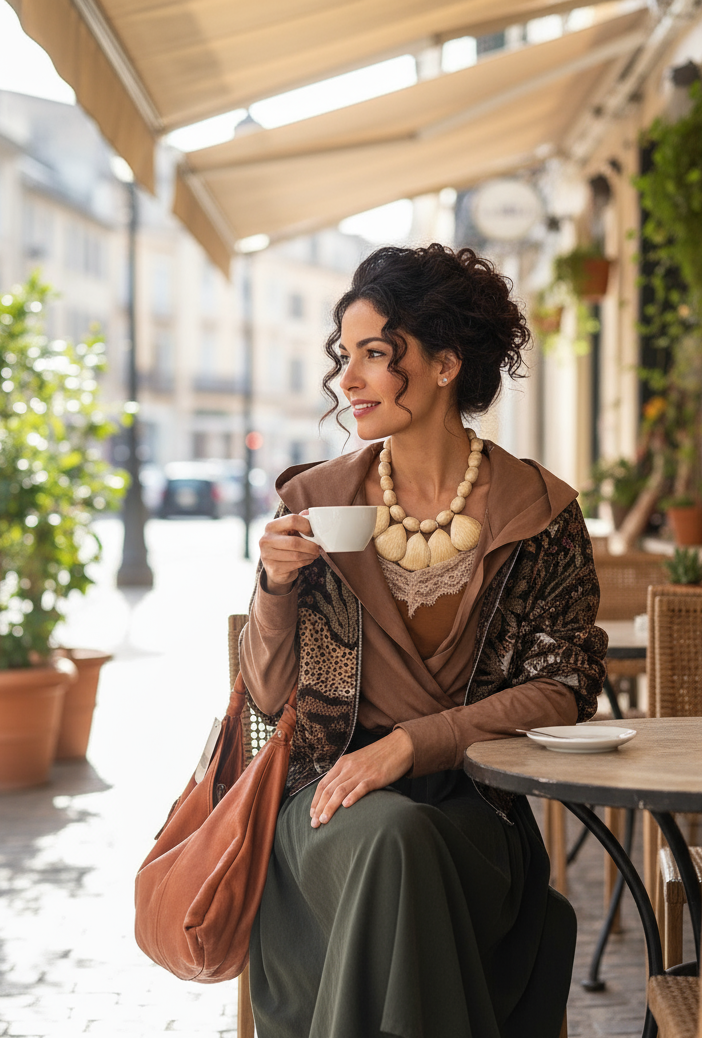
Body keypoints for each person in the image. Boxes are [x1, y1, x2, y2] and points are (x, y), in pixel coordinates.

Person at [239, 244, 607, 1038]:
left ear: (444, 364)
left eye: (375, 354)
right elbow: (270, 697)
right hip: (327, 803)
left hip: (476, 806)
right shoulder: (317, 499)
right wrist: (273, 589)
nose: (349, 379)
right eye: (346, 355)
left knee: (407, 839)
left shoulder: (535, 512)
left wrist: (411, 746)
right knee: (391, 839)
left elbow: (563, 687)